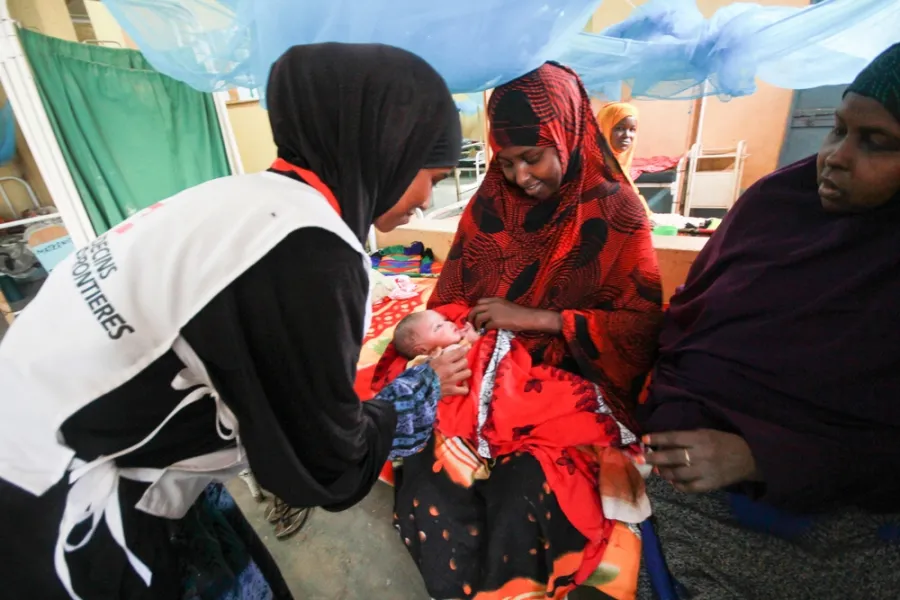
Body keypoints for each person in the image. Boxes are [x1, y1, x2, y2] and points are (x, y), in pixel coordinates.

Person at [0, 43, 469, 600]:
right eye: (432, 175)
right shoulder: (310, 253)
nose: (425, 200)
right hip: (60, 504)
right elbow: (323, 467)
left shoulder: (239, 199)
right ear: (385, 147)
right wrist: (419, 390)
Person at [380, 61, 663, 600]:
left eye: (532, 157)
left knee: (523, 492)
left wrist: (542, 320)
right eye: (505, 161)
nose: (519, 177)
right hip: (481, 380)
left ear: (569, 132)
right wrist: (454, 347)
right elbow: (449, 303)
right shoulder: (491, 204)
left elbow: (640, 329)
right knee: (426, 469)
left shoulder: (617, 212)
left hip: (565, 395)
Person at [638, 43, 900, 600]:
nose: (836, 156)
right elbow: (690, 323)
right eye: (838, 129)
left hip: (839, 510)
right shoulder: (776, 205)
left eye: (876, 142)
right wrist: (676, 420)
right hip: (687, 466)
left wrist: (760, 457)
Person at [596, 102, 652, 216]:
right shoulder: (590, 169)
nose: (627, 135)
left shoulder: (621, 167)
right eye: (619, 128)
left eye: (632, 129)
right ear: (604, 129)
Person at [392, 309, 480, 364]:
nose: (449, 324)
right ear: (422, 350)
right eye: (438, 327)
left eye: (446, 320)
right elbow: (465, 355)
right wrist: (472, 339)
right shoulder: (434, 360)